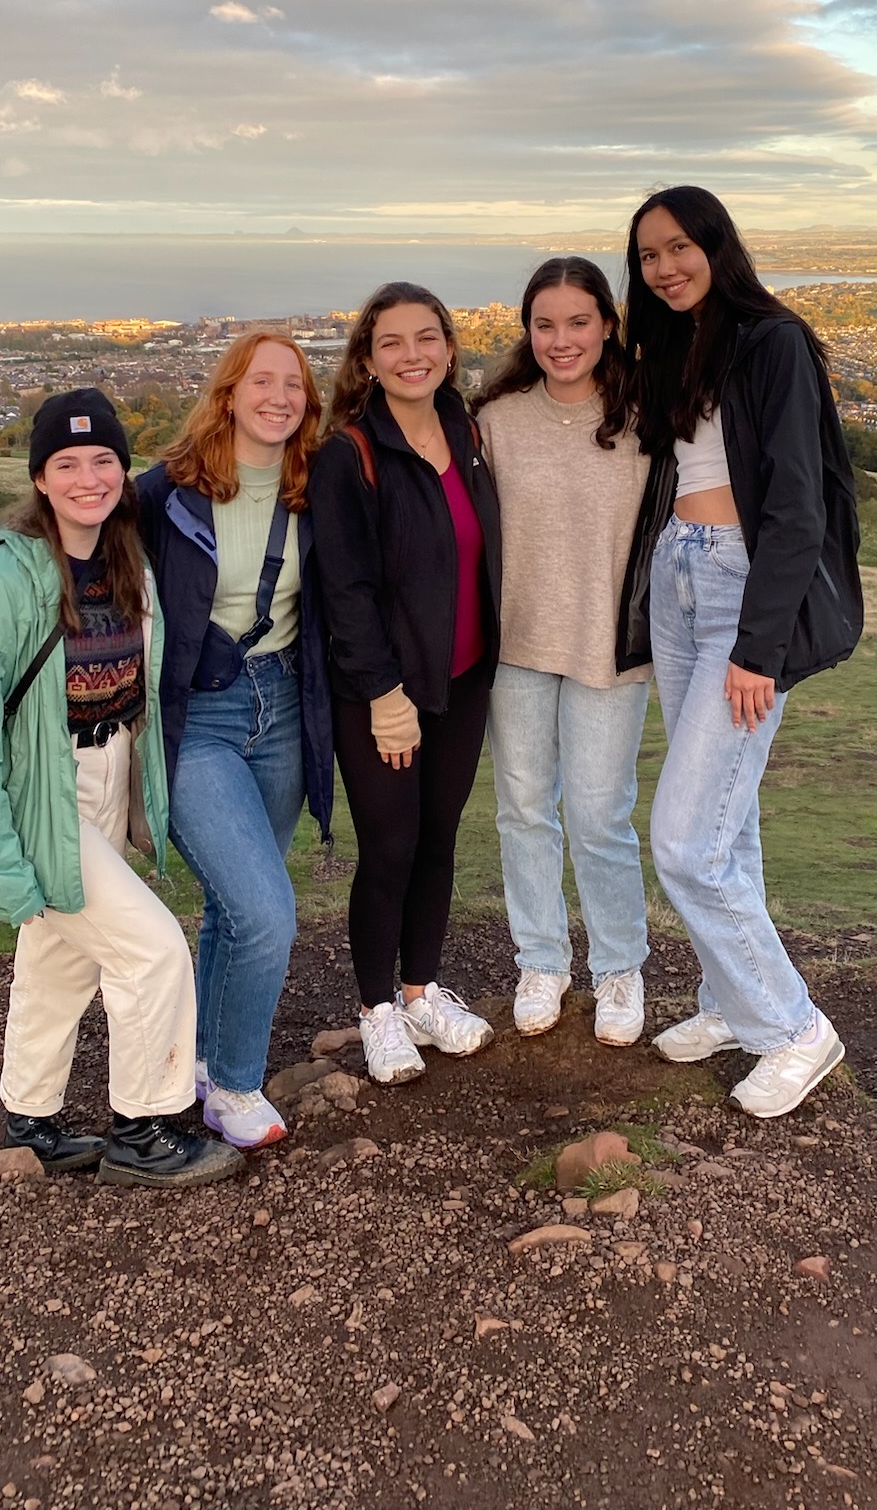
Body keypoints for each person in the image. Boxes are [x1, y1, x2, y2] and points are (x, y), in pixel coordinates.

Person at [0, 388, 242, 1189]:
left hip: (108, 774)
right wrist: (2, 867)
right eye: (67, 463)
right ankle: (142, 1128)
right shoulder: (4, 582)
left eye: (103, 459)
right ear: (39, 477)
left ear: (122, 469)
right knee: (153, 950)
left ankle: (31, 1120)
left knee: (59, 957)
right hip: (45, 796)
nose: (88, 477)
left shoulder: (122, 557)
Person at [621, 189, 863, 1119]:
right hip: (679, 576)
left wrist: (760, 646)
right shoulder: (679, 345)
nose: (665, 267)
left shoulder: (774, 341)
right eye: (648, 256)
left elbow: (798, 502)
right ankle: (728, 1000)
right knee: (729, 818)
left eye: (680, 247)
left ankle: (794, 1027)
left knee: (684, 842)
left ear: (718, 246)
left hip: (739, 588)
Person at [136, 333, 334, 1150]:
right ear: (228, 394)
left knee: (232, 905)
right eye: (263, 381)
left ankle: (206, 1059)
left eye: (295, 385)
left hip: (283, 703)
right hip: (199, 715)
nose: (280, 397)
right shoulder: (164, 494)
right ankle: (239, 1088)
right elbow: (80, 554)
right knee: (265, 912)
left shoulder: (315, 489)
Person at [310, 283, 503, 1085]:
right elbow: (346, 592)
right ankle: (376, 1011)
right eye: (391, 342)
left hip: (462, 679)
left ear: (450, 351)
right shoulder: (350, 454)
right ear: (367, 359)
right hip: (383, 691)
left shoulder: (469, 436)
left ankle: (421, 991)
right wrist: (384, 695)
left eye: (427, 338)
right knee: (389, 847)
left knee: (439, 838)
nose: (412, 355)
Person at [474, 257, 652, 1044]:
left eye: (578, 321)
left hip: (612, 647)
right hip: (514, 644)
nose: (561, 339)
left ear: (608, 324)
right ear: (527, 332)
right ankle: (542, 959)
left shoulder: (650, 412)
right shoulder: (497, 419)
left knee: (599, 814)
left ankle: (619, 966)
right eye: (544, 324)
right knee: (521, 809)